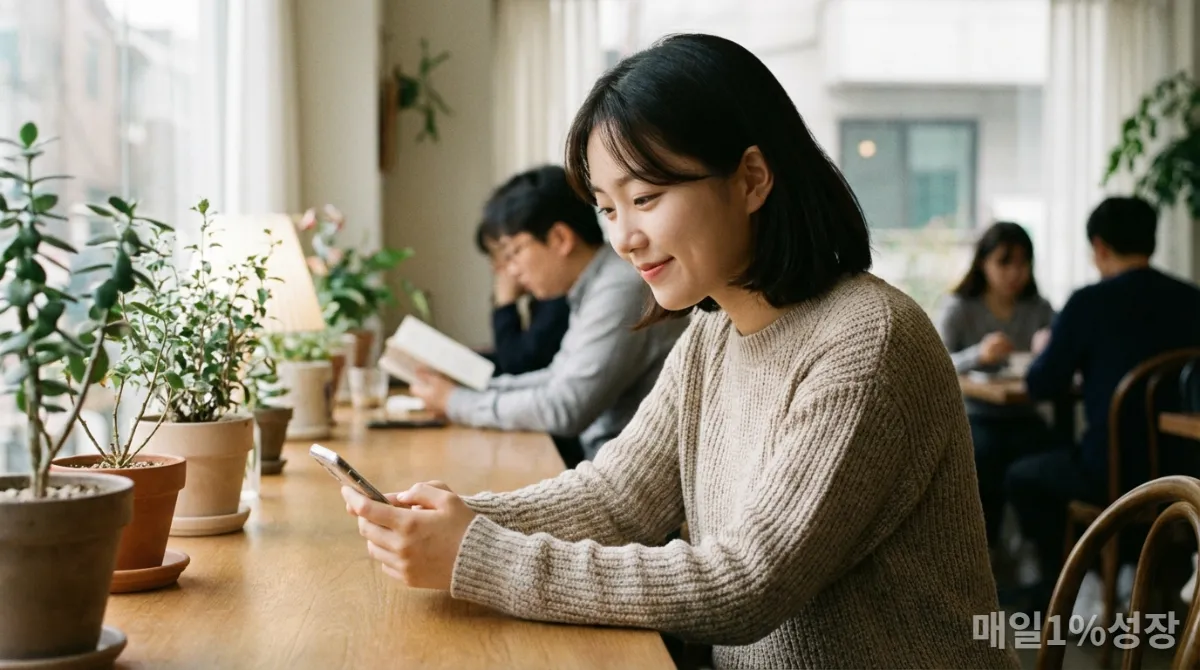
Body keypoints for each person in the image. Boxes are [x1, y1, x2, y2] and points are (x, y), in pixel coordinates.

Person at [344, 34, 1015, 669]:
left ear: (752, 178)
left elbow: (747, 582)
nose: (625, 238)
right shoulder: (713, 330)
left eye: (645, 198)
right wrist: (456, 517)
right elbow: (619, 498)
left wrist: (482, 556)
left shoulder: (867, 344)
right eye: (607, 208)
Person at [409, 165, 686, 466]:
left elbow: (564, 408)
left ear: (560, 238)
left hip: (620, 474)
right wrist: (468, 389)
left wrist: (456, 402)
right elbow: (556, 377)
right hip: (599, 463)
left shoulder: (620, 287)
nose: (511, 270)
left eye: (514, 252)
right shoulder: (595, 283)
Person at [1007, 196, 1200, 603]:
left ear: (1099, 247)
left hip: (1111, 472)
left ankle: (1078, 579)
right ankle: (1131, 568)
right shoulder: (1191, 299)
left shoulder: (1088, 303)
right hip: (1184, 469)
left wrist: (1047, 349)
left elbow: (1041, 384)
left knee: (1023, 476)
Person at [937, 222, 1055, 547]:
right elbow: (936, 362)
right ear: (983, 263)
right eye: (1005, 262)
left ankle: (1043, 563)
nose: (1015, 273)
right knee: (984, 457)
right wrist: (979, 354)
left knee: (1051, 453)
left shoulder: (1039, 308)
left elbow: (1060, 358)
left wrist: (1050, 348)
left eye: (1023, 263)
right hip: (975, 416)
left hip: (1025, 415)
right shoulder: (960, 308)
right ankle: (985, 554)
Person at [473, 218, 570, 376]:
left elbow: (519, 366)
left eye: (511, 253)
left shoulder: (558, 297)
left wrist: (505, 304)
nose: (495, 268)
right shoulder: (541, 299)